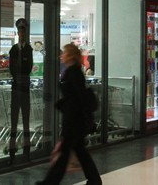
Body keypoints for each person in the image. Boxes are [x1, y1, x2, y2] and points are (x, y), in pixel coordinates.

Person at [36, 43, 102, 185]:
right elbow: (75, 96)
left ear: (70, 55)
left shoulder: (73, 72)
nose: (62, 55)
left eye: (64, 53)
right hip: (75, 118)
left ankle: (50, 182)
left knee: (65, 153)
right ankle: (94, 180)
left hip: (74, 120)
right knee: (79, 152)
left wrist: (65, 105)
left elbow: (77, 97)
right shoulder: (73, 71)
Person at [8, 18, 34, 163]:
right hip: (15, 88)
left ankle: (27, 150)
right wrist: (17, 77)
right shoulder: (13, 49)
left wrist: (21, 76)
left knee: (25, 119)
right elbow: (12, 68)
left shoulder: (28, 49)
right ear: (17, 33)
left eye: (24, 31)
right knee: (13, 120)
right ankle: (12, 151)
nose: (22, 34)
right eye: (20, 31)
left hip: (24, 88)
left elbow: (28, 67)